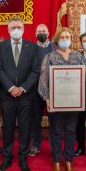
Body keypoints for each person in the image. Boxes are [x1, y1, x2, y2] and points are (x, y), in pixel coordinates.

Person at [38, 27, 86, 171]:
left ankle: (69, 160)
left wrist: (84, 71)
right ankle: (57, 160)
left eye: (68, 37)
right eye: (62, 37)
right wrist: (46, 98)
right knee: (56, 132)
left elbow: (85, 76)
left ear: (71, 39)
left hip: (73, 101)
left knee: (71, 131)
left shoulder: (78, 56)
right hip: (55, 101)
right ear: (57, 39)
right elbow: (43, 79)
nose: (65, 40)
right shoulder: (50, 57)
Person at [0, 17, 40, 171]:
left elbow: (36, 70)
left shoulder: (32, 47)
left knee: (25, 128)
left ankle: (23, 158)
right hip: (7, 95)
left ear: (23, 29)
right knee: (7, 128)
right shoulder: (1, 46)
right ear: (8, 30)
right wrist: (11, 87)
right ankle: (6, 157)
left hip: (25, 96)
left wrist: (23, 88)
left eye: (19, 27)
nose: (16, 30)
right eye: (13, 27)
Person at [30, 24, 55, 157]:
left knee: (54, 119)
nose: (41, 33)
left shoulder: (55, 48)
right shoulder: (30, 49)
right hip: (35, 89)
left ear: (48, 33)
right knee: (35, 119)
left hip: (53, 90)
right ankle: (35, 145)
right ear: (35, 34)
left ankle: (54, 147)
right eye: (39, 31)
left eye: (43, 31)